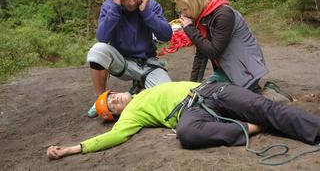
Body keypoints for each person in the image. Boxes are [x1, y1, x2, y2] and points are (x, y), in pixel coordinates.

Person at [47, 81, 320, 160]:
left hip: (211, 90)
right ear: (114, 115)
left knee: (265, 107)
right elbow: (114, 137)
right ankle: (248, 128)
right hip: (191, 110)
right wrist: (74, 148)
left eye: (112, 95)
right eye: (110, 106)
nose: (115, 99)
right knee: (186, 133)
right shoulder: (131, 115)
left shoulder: (145, 88)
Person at [86, 0, 173, 118]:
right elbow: (102, 37)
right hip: (122, 62)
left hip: (148, 64)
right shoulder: (110, 7)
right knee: (97, 50)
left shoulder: (150, 6)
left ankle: (138, 90)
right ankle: (101, 98)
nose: (132, 2)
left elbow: (166, 35)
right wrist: (115, 8)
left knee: (167, 96)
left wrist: (146, 13)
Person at [174, 0, 268, 93]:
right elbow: (201, 54)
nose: (183, 15)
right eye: (181, 10)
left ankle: (267, 96)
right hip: (229, 69)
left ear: (196, 3)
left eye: (185, 9)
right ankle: (255, 93)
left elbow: (213, 51)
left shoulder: (223, 15)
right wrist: (192, 86)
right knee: (199, 94)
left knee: (212, 97)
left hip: (246, 70)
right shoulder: (203, 18)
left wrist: (189, 28)